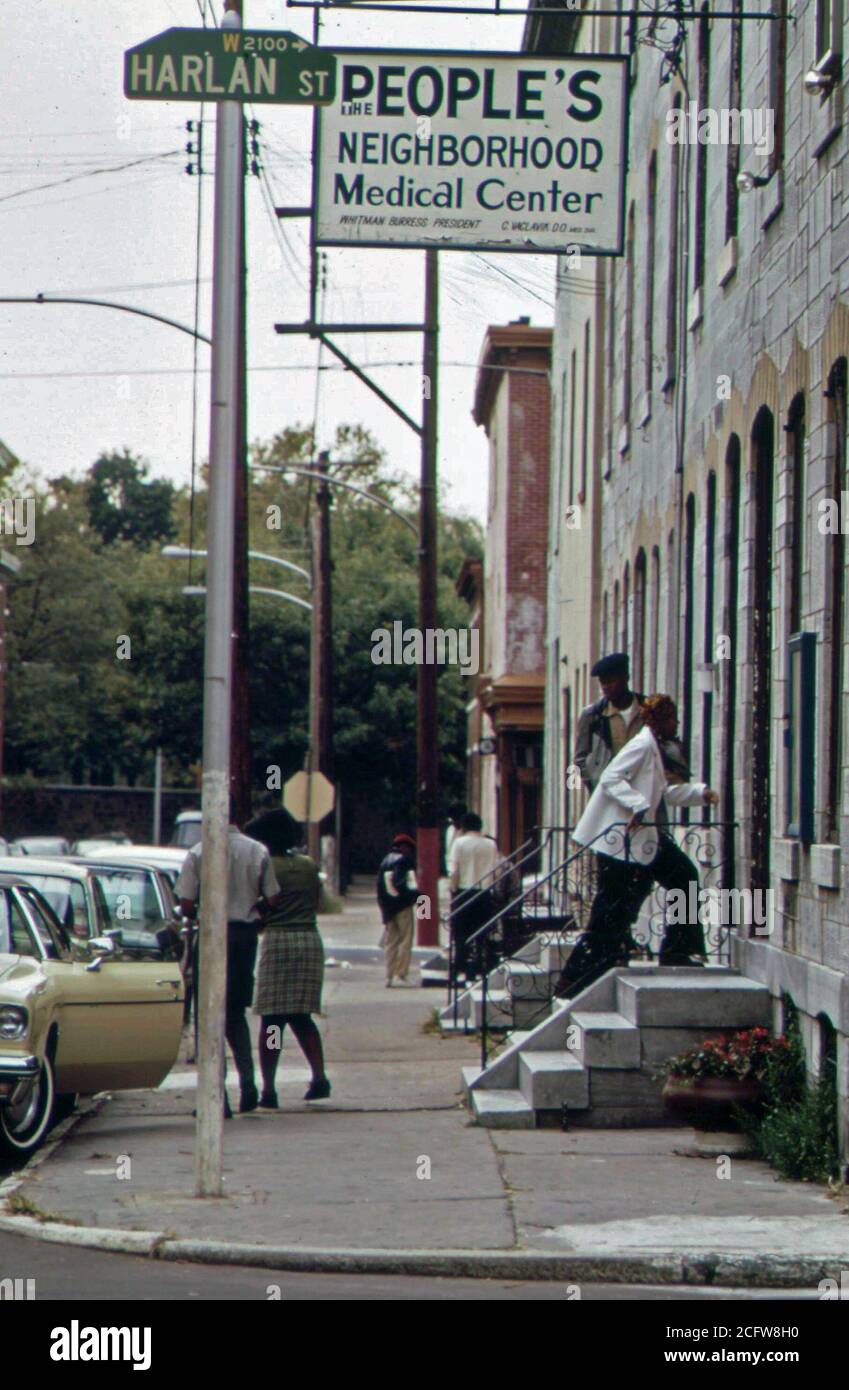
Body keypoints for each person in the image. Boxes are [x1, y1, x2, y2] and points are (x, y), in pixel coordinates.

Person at [555, 694, 719, 999]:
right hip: (623, 844)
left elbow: (665, 793)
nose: (677, 725)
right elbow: (609, 779)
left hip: (640, 843)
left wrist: (700, 793)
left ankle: (677, 949)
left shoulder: (653, 748)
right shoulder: (642, 745)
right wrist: (638, 805)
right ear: (660, 721)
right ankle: (575, 978)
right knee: (613, 910)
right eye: (673, 719)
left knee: (679, 879)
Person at [176, 800, 281, 1116]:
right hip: (243, 937)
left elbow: (187, 904)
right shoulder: (257, 850)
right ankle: (249, 1084)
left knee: (208, 1015)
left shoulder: (198, 852)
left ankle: (215, 1093)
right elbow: (274, 897)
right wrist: (254, 910)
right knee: (235, 1013)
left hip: (211, 937)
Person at [245, 807, 330, 1109]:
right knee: (302, 1015)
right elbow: (320, 902)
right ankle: (319, 1076)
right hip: (308, 939)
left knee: (272, 1021)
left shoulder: (266, 866)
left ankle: (268, 1088)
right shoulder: (308, 865)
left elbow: (261, 904)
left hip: (278, 940)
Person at [449, 812, 501, 983]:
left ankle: (459, 968)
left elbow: (454, 869)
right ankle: (478, 966)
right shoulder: (490, 844)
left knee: (460, 933)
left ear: (463, 827)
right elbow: (496, 870)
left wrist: (453, 888)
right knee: (481, 933)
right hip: (484, 892)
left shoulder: (459, 843)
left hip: (464, 891)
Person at [376, 833, 419, 987]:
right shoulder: (405, 861)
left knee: (391, 942)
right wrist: (415, 898)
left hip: (388, 907)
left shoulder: (385, 861)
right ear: (405, 847)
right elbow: (408, 885)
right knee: (405, 940)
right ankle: (401, 974)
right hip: (403, 906)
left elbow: (379, 889)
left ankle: (388, 976)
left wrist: (384, 910)